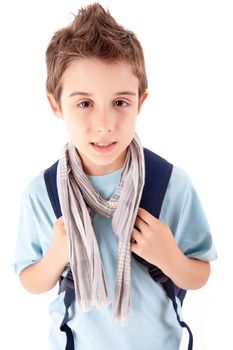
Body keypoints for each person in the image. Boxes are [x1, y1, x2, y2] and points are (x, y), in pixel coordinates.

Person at [13, 3, 217, 350]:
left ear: (141, 101)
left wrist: (170, 257)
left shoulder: (169, 184)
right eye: (85, 103)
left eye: (120, 102)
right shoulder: (43, 193)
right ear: (55, 105)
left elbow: (200, 273)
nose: (105, 124)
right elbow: (30, 280)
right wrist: (57, 255)